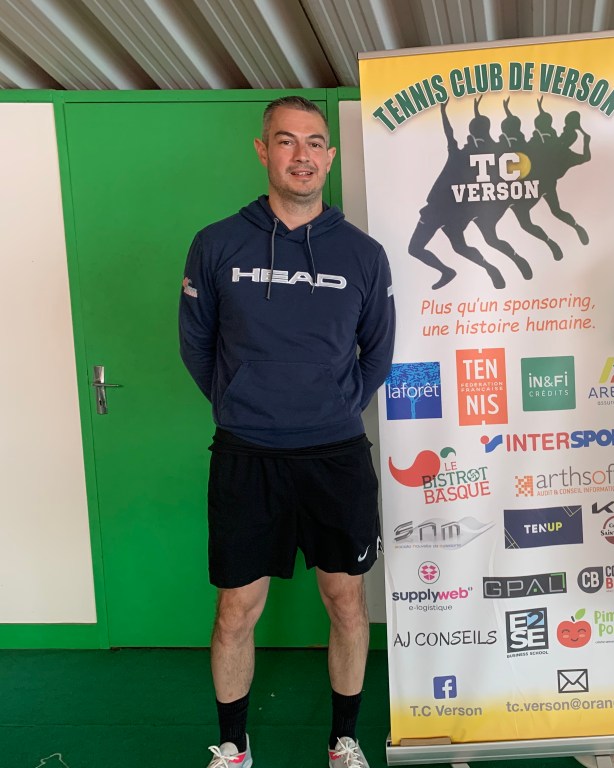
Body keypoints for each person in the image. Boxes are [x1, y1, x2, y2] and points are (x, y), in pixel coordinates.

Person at [179, 95, 395, 768]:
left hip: (336, 456)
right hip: (248, 455)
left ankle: (343, 741)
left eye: (314, 143)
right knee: (235, 610)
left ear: (329, 157)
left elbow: (377, 353)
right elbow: (196, 344)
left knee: (347, 601)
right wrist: (243, 402)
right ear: (262, 150)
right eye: (286, 141)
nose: (302, 155)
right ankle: (234, 748)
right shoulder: (217, 244)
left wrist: (333, 406)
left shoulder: (363, 254)